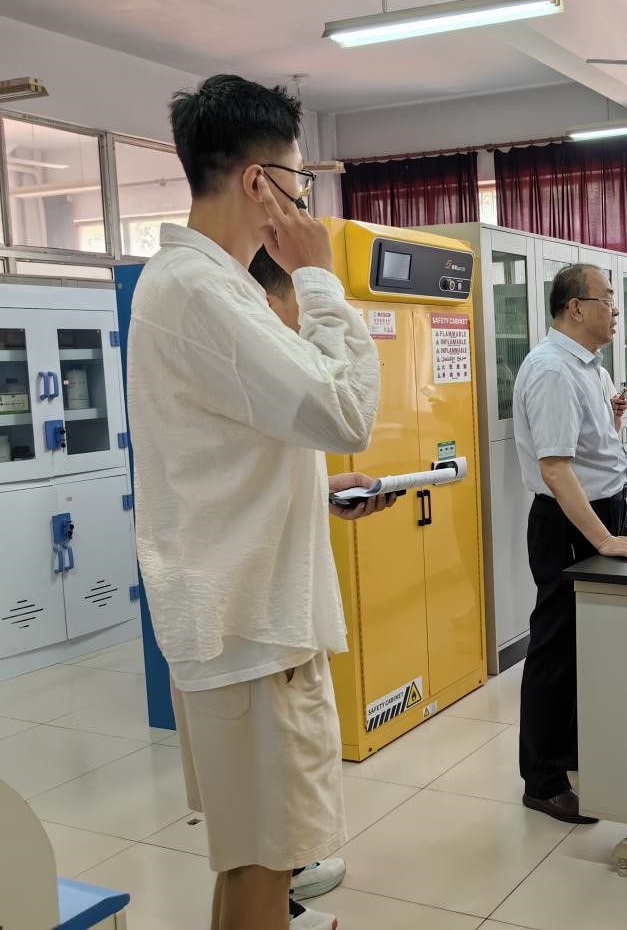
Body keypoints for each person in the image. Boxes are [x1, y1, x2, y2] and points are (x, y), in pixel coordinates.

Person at [128, 75, 393, 930]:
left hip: (243, 623)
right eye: (297, 181)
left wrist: (315, 488)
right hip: (251, 631)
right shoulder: (200, 290)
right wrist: (318, 279)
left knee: (253, 861)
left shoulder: (208, 285)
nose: (303, 202)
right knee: (265, 866)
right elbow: (346, 413)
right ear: (259, 182)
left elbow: (238, 447)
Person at [512, 263, 627, 824]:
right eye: (607, 300)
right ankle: (543, 780)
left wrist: (611, 420)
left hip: (600, 510)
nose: (616, 311)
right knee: (555, 648)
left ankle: (571, 750)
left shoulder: (590, 367)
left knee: (586, 643)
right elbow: (554, 468)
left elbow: (588, 448)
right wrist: (603, 539)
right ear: (576, 307)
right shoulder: (552, 369)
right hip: (571, 522)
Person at [246, 247, 352, 922]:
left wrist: (327, 490)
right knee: (271, 784)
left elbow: (269, 477)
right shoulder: (255, 356)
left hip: (282, 599)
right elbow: (349, 414)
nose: (303, 324)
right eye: (301, 305)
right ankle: (278, 899)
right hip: (264, 613)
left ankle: (285, 883)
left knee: (281, 779)